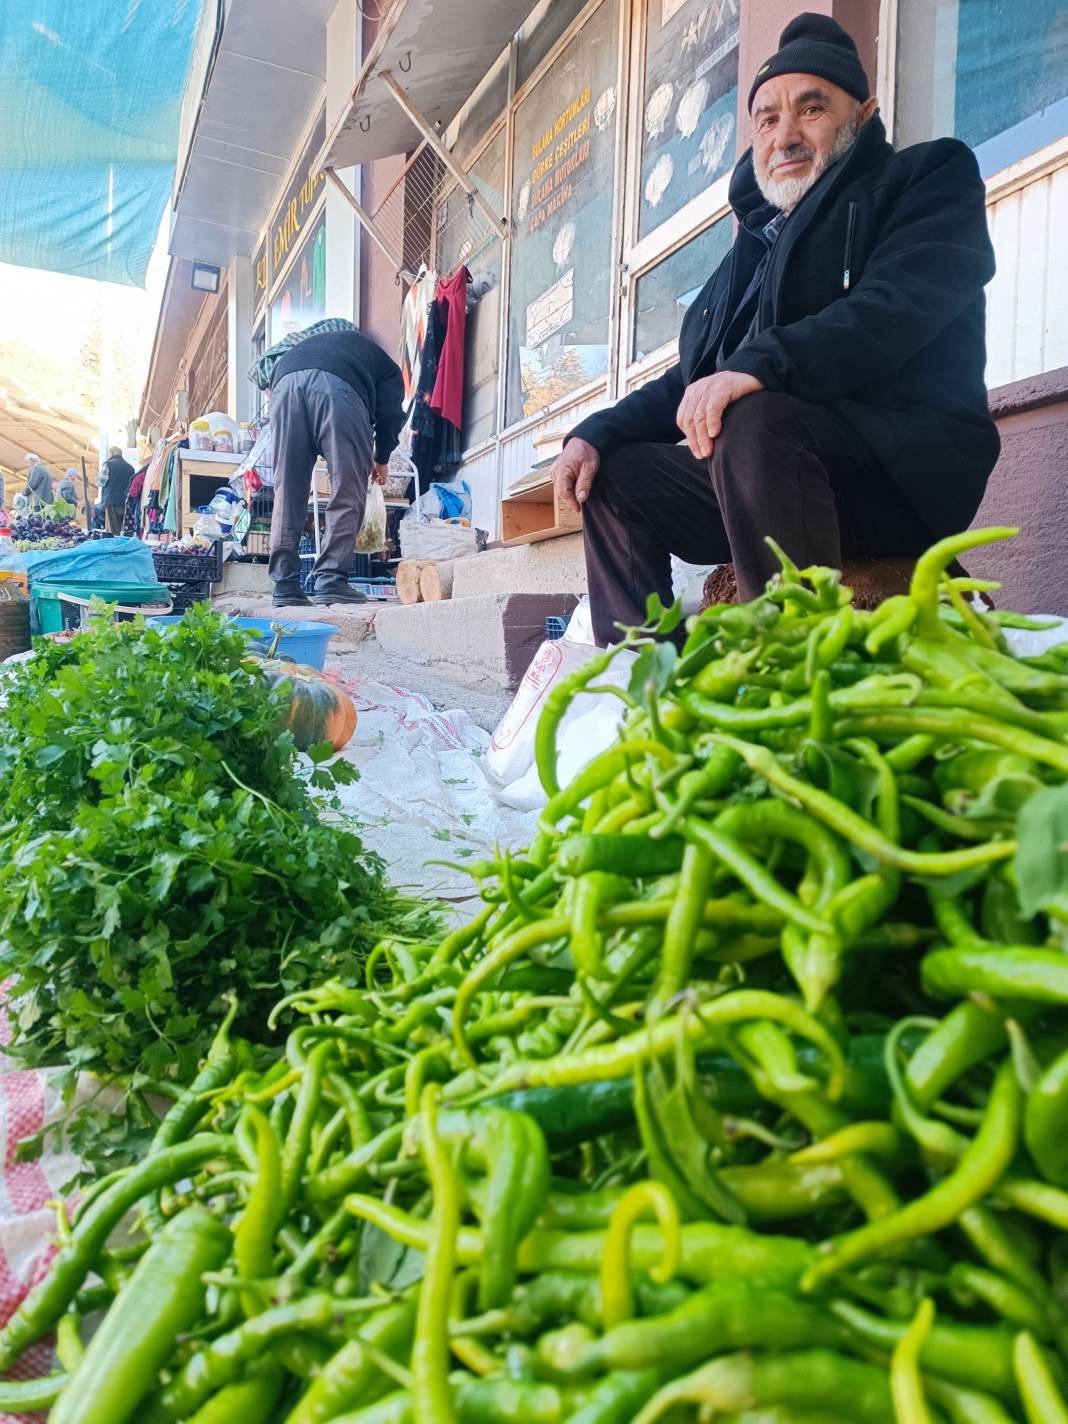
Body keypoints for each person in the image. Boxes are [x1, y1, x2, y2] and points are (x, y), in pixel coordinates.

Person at [550, 13, 999, 647]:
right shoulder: (755, 244)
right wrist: (594, 433)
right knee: (616, 478)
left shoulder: (924, 180)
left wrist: (760, 366)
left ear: (863, 115)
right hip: (760, 475)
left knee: (756, 416)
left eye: (811, 109)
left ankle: (788, 662)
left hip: (898, 473)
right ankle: (642, 666)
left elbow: (893, 307)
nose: (784, 135)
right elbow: (693, 377)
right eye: (767, 118)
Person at [266, 327, 404, 607]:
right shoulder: (388, 369)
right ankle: (330, 579)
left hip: (284, 385)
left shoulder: (333, 347)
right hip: (339, 389)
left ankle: (285, 584)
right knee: (347, 488)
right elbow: (390, 413)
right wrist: (381, 458)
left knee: (288, 490)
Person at [99, 447, 135, 536]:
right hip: (125, 502)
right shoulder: (130, 467)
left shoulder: (108, 465)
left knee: (112, 531)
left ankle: (114, 548)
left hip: (111, 502)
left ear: (111, 453)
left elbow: (101, 482)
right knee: (127, 531)